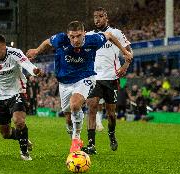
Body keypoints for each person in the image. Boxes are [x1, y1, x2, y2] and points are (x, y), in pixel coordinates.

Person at [26, 21, 132, 152]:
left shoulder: (92, 40)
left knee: (75, 105)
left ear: (84, 34)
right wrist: (37, 50)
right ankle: (72, 131)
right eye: (72, 36)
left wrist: (124, 52)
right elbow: (48, 41)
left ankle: (76, 139)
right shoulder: (60, 39)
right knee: (68, 118)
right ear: (67, 35)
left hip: (85, 77)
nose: (75, 40)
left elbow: (109, 35)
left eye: (79, 36)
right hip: (64, 82)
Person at [0, 33, 44, 161]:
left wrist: (34, 71)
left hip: (17, 91)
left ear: (5, 46)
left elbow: (26, 64)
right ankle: (23, 138)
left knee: (19, 121)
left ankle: (24, 152)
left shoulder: (15, 53)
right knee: (5, 133)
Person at [82, 7, 133, 154]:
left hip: (111, 78)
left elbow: (129, 51)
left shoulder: (116, 33)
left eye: (100, 16)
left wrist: (126, 65)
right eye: (95, 16)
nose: (97, 19)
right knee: (91, 108)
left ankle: (111, 134)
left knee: (111, 113)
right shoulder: (90, 35)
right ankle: (91, 145)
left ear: (106, 18)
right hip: (94, 78)